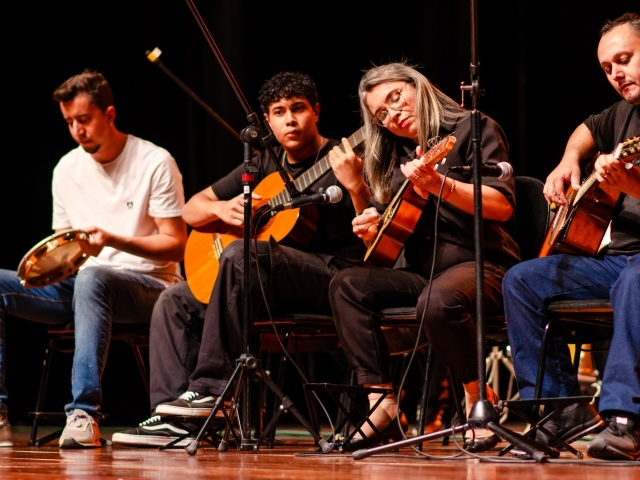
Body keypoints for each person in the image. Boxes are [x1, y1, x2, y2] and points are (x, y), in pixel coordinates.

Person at [112, 71, 370, 447]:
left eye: (298, 109)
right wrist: (225, 208)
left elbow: (374, 232)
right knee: (175, 300)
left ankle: (211, 390)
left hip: (332, 276)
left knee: (240, 253)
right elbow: (190, 210)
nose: (290, 120)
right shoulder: (265, 163)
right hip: (268, 279)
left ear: (316, 111)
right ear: (267, 121)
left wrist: (356, 186)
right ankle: (172, 420)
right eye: (279, 112)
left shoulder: (345, 158)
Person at [328, 62, 520, 451]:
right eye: (381, 114)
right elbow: (384, 236)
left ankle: (476, 395)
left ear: (419, 86)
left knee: (436, 299)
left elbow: (501, 206)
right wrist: (370, 220)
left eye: (395, 98)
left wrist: (441, 185)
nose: (392, 114)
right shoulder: (398, 158)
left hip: (484, 266)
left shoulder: (473, 128)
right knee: (347, 285)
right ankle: (380, 403)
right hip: (424, 274)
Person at [0, 71, 187, 448]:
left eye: (84, 120)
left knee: (93, 278)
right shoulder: (66, 169)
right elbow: (65, 251)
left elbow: (175, 245)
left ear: (110, 114)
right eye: (69, 122)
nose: (77, 130)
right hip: (85, 287)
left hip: (150, 288)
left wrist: (113, 240)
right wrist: (45, 270)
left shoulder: (154, 161)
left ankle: (83, 412)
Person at [503, 13, 640, 460]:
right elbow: (587, 128)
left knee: (634, 281)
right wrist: (569, 160)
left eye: (625, 59)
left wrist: (629, 186)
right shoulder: (622, 114)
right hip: (618, 260)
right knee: (522, 279)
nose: (616, 73)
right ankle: (562, 410)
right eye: (607, 68)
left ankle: (625, 420)